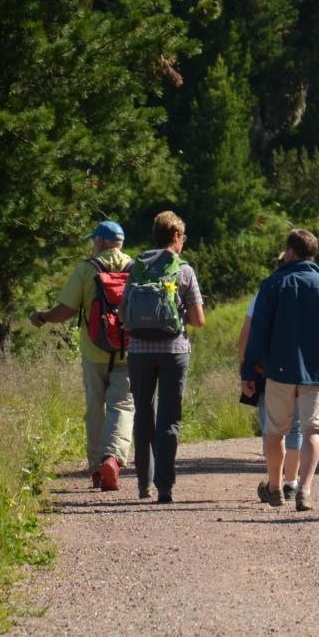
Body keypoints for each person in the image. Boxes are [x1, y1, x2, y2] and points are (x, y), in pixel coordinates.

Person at [241, 229, 319, 512]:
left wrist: (248, 371)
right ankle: (305, 490)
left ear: (290, 252)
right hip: (317, 371)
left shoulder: (272, 285)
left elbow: (258, 332)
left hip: (278, 371)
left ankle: (275, 488)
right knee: (313, 430)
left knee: (275, 433)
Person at [30, 220, 134, 491]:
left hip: (95, 350)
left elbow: (65, 311)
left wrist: (43, 316)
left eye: (94, 240)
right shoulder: (137, 269)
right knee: (122, 406)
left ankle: (97, 469)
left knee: (96, 407)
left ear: (100, 241)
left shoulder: (87, 270)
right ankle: (113, 458)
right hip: (128, 349)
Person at [125, 211, 205, 504]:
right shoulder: (184, 270)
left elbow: (124, 312)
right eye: (183, 237)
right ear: (175, 237)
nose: (183, 242)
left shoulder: (137, 267)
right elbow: (197, 319)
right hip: (173, 352)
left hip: (139, 352)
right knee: (169, 419)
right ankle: (165, 486)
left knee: (143, 414)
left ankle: (143, 483)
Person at [236, 251, 305, 499]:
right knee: (295, 427)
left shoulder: (264, 292)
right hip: (301, 368)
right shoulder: (308, 290)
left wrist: (246, 370)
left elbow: (246, 334)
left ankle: (274, 484)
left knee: (271, 428)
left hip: (269, 369)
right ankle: (292, 482)